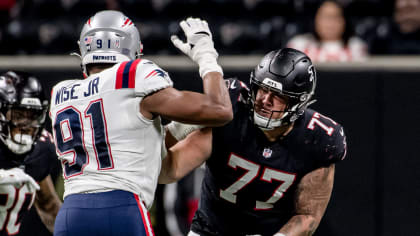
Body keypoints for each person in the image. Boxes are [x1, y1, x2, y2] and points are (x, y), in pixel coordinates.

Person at [49, 10, 232, 236]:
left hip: (70, 214)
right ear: (132, 48)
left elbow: (130, 143)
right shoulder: (132, 74)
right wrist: (206, 56)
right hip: (121, 208)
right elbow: (220, 109)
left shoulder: (60, 92)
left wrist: (178, 130)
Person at [159, 48, 348, 236]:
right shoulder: (232, 111)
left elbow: (307, 216)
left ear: (298, 102)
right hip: (211, 230)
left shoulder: (318, 139)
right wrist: (174, 131)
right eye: (262, 89)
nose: (265, 100)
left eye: (278, 96)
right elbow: (170, 170)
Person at [0, 71, 62, 236]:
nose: (26, 125)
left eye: (33, 116)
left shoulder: (41, 149)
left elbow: (49, 206)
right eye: (18, 114)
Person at [287, 0, 368, 62]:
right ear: (315, 20)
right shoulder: (298, 46)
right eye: (325, 17)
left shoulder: (356, 47)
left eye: (335, 17)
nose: (330, 23)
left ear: (344, 21)